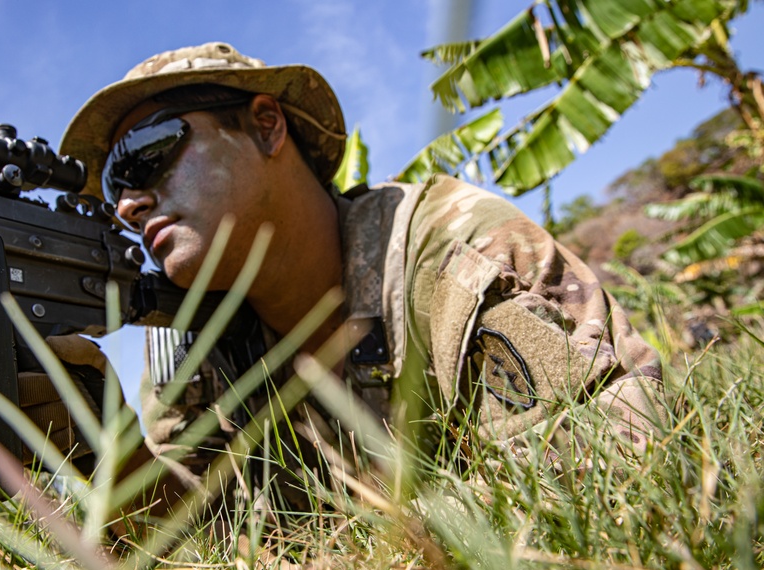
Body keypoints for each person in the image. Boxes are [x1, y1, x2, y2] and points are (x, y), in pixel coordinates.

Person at [56, 42, 665, 521]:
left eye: (144, 152)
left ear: (266, 126)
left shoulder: (450, 250)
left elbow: (619, 451)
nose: (129, 204)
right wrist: (99, 446)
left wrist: (357, 568)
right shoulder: (185, 340)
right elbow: (194, 538)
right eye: (114, 188)